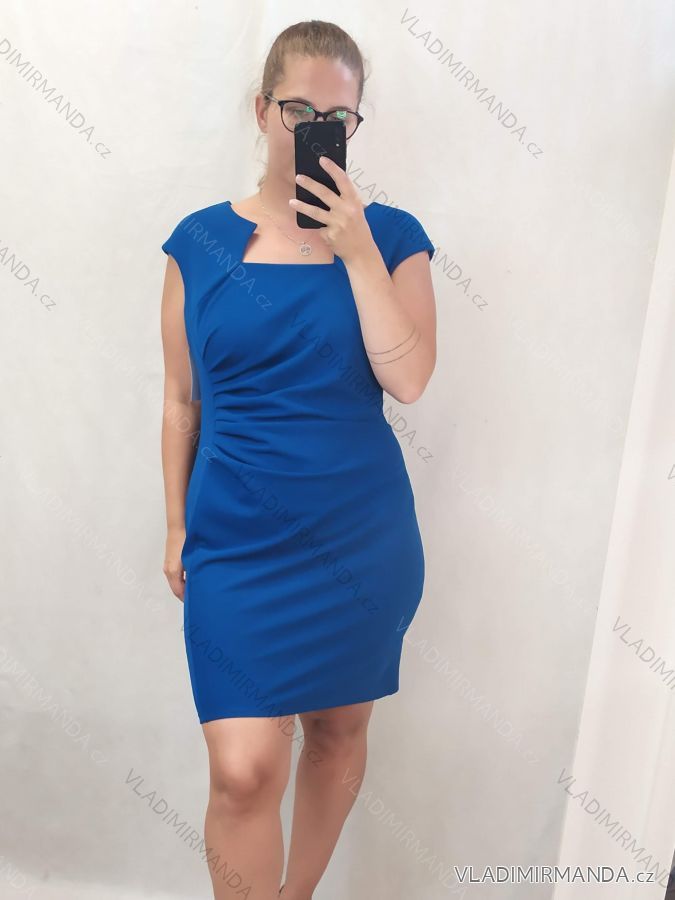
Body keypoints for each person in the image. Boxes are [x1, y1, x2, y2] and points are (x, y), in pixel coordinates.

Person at [160, 19, 437, 900]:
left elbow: (408, 378)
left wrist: (354, 249)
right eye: (298, 111)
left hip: (359, 539)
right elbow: (180, 400)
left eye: (337, 117)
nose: (318, 129)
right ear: (261, 111)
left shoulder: (393, 236)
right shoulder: (200, 241)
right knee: (243, 771)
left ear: (355, 125)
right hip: (235, 543)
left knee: (336, 734)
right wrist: (175, 525)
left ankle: (297, 894)